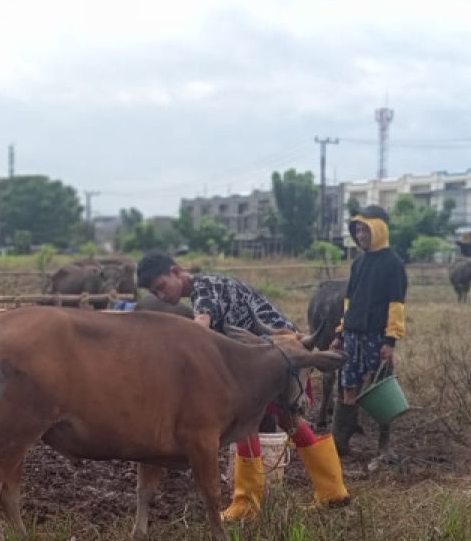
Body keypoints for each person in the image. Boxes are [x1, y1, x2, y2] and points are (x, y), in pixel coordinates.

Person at [137, 252, 350, 521]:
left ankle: (247, 504)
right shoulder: (213, 283)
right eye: (155, 292)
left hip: (274, 355)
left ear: (176, 271)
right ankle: (332, 490)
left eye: (161, 286)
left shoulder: (204, 289)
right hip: (279, 354)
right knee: (289, 420)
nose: (162, 296)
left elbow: (198, 329)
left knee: (246, 421)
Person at [330, 205, 408, 471]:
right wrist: (341, 332)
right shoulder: (358, 263)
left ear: (379, 230)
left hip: (377, 336)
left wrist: (390, 341)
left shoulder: (393, 264)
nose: (361, 235)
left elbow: (396, 304)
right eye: (358, 230)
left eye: (365, 230)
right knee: (348, 387)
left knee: (381, 388)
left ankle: (384, 448)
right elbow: (349, 302)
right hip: (352, 335)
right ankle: (339, 443)